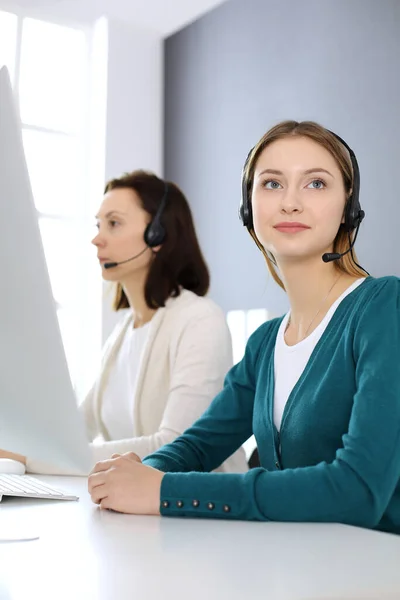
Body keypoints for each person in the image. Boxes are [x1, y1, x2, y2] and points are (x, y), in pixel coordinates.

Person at [88, 121, 400, 535]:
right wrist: (142, 474)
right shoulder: (265, 344)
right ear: (248, 209)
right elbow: (196, 446)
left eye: (316, 184)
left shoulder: (382, 308)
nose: (290, 202)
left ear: (349, 207)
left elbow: (357, 491)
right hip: (293, 575)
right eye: (271, 184)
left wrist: (163, 491)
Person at [1, 170, 247, 474]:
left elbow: (173, 446)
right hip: (141, 514)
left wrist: (33, 457)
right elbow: (76, 432)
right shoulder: (123, 331)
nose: (96, 238)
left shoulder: (199, 320)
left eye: (114, 224)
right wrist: (23, 444)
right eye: (98, 225)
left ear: (157, 235)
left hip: (203, 514)